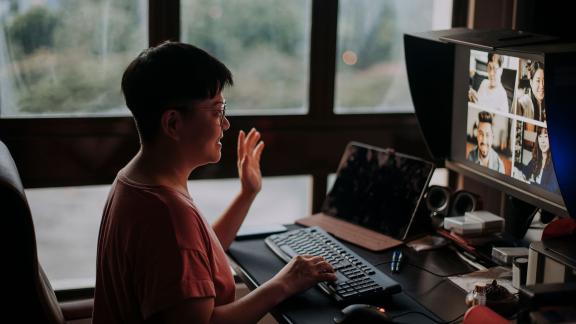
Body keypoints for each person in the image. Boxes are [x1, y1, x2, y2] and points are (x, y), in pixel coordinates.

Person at [92, 42, 336, 324]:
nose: (226, 123)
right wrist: (285, 283)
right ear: (173, 123)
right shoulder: (168, 214)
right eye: (216, 111)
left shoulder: (134, 180)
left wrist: (248, 192)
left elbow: (193, 257)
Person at [520, 126, 560, 193]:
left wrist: (529, 183)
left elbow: (552, 188)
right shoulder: (538, 157)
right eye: (540, 136)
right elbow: (526, 170)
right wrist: (521, 175)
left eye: (546, 136)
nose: (542, 141)